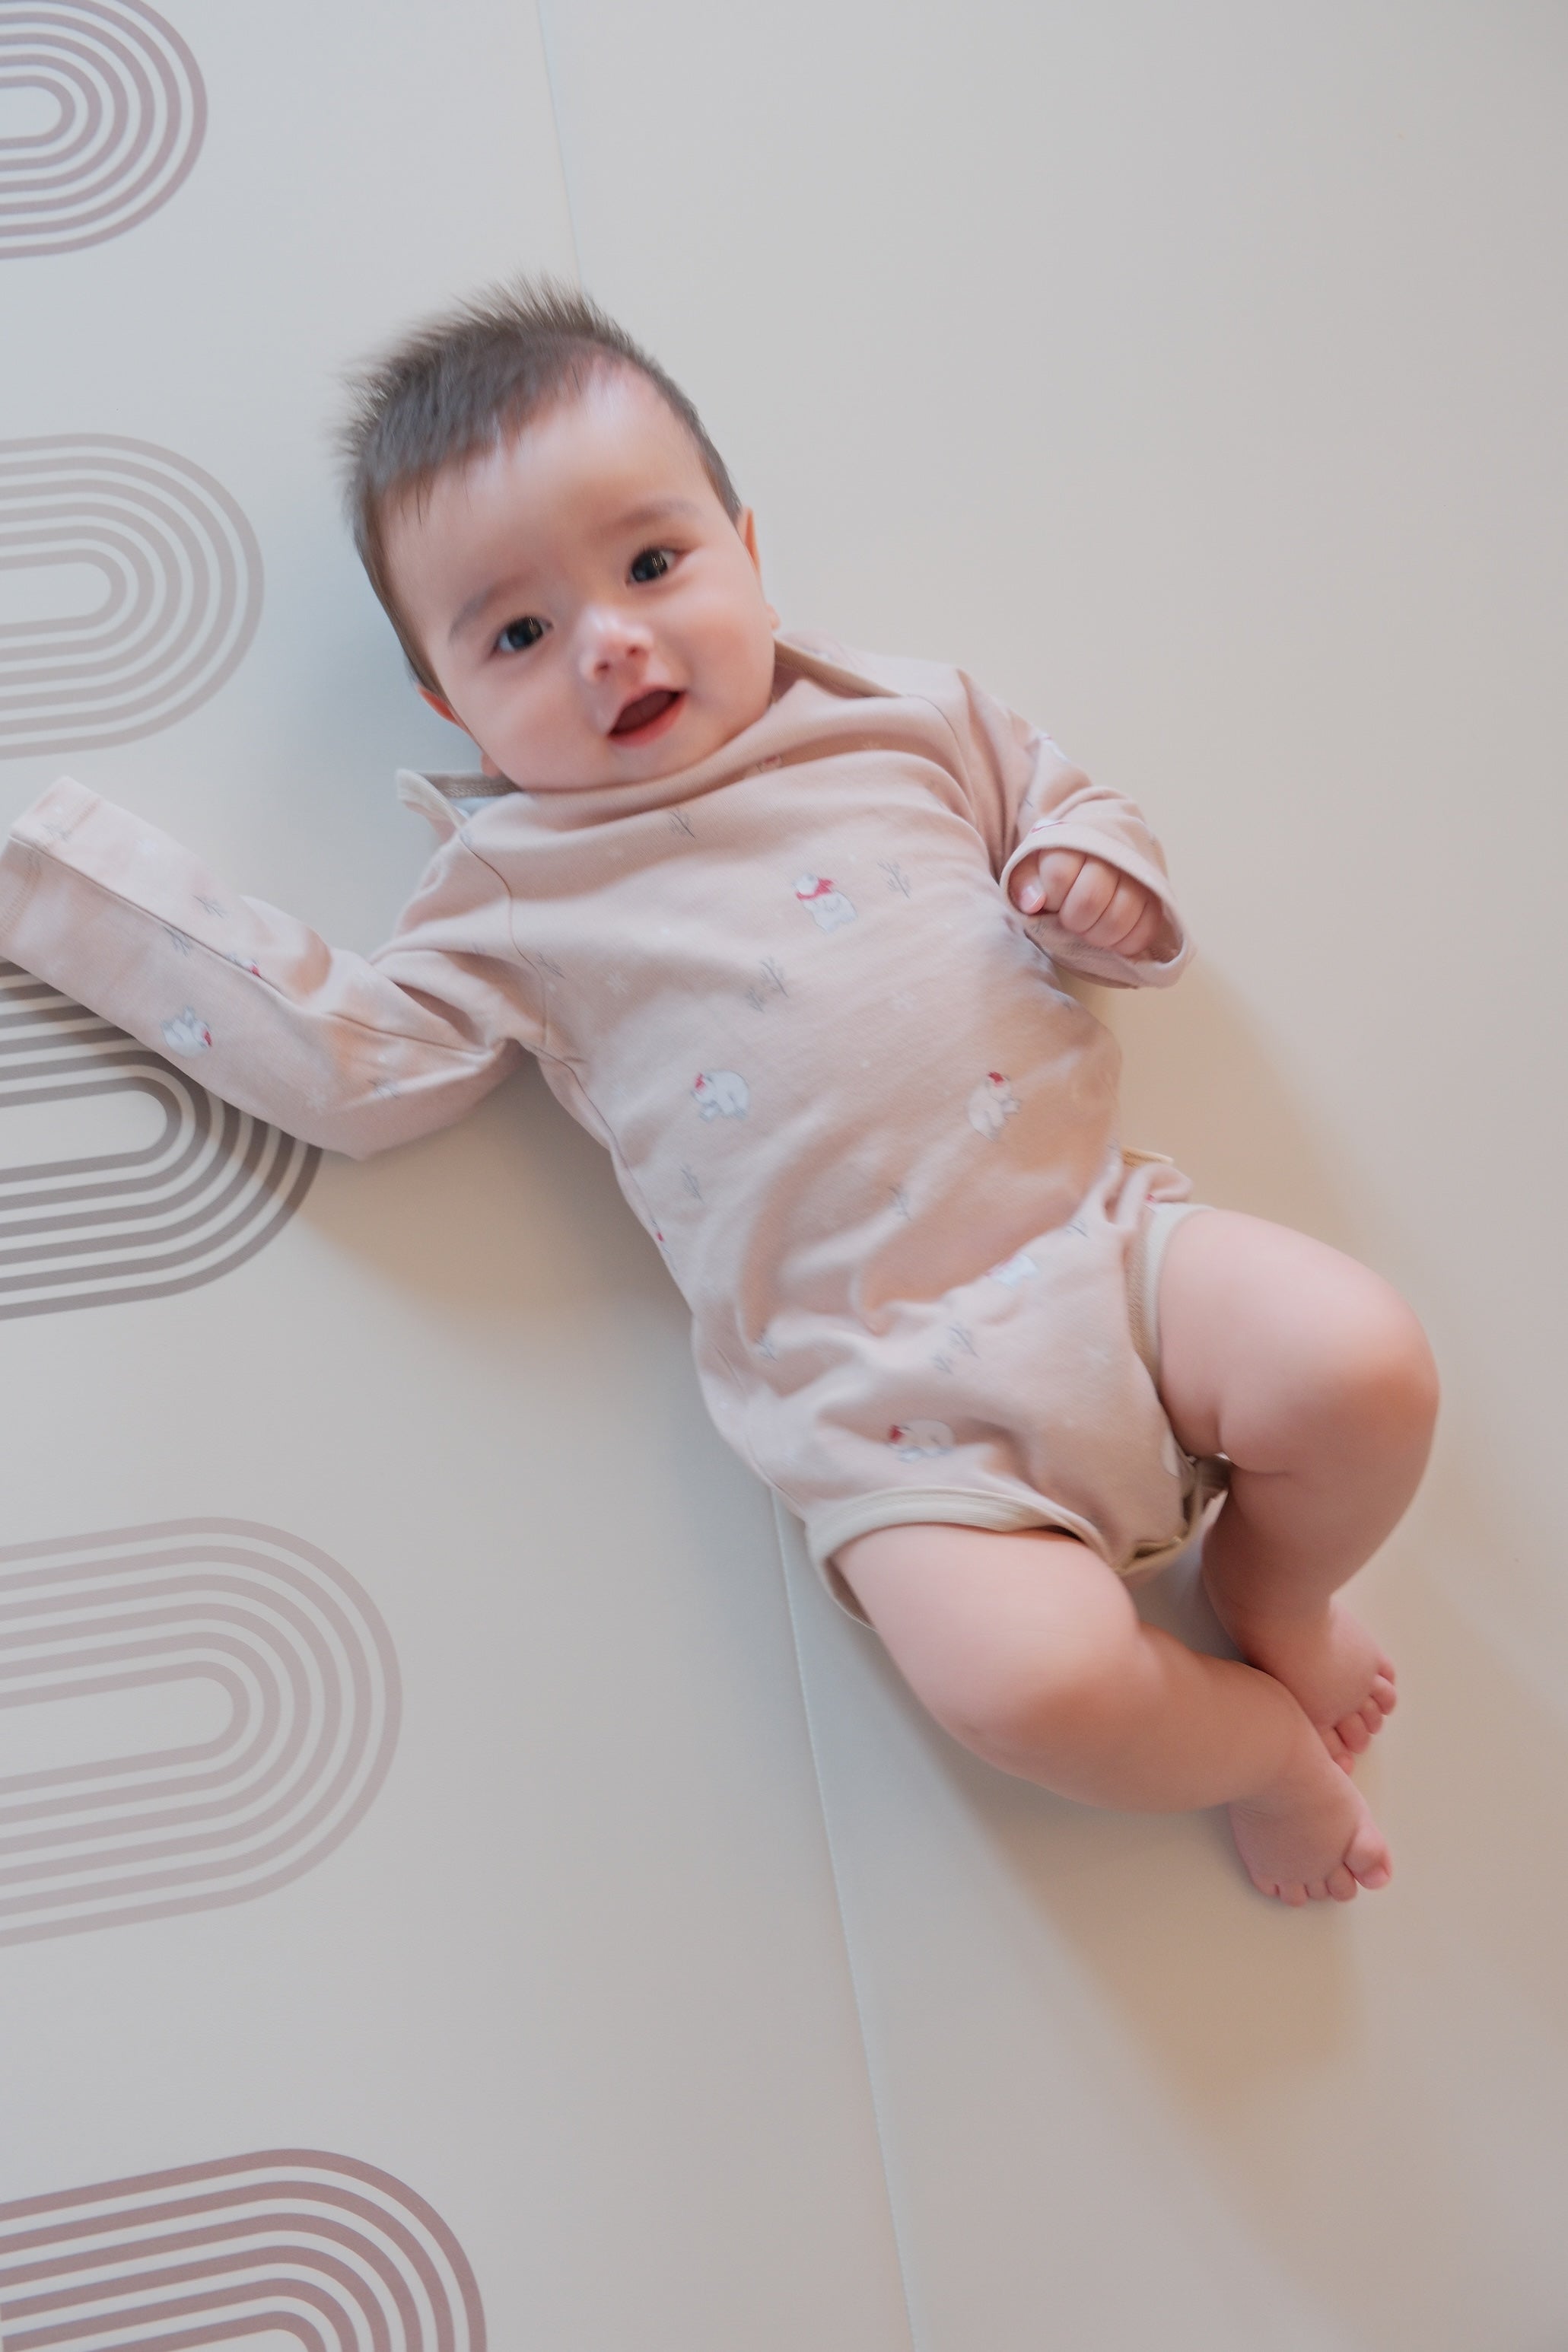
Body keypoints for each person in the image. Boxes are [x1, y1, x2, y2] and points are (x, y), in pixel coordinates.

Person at [0, 282, 1438, 1905]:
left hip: (1107, 1256)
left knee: (1363, 1367)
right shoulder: (510, 891)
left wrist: (1093, 882)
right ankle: (1247, 1746)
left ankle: (1275, 1594)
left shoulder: (905, 717)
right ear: (447, 704)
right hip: (876, 1405)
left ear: (746, 548)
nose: (608, 638)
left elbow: (1069, 808)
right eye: (518, 634)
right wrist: (64, 894)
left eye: (652, 563)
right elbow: (359, 1064)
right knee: (1023, 1688)